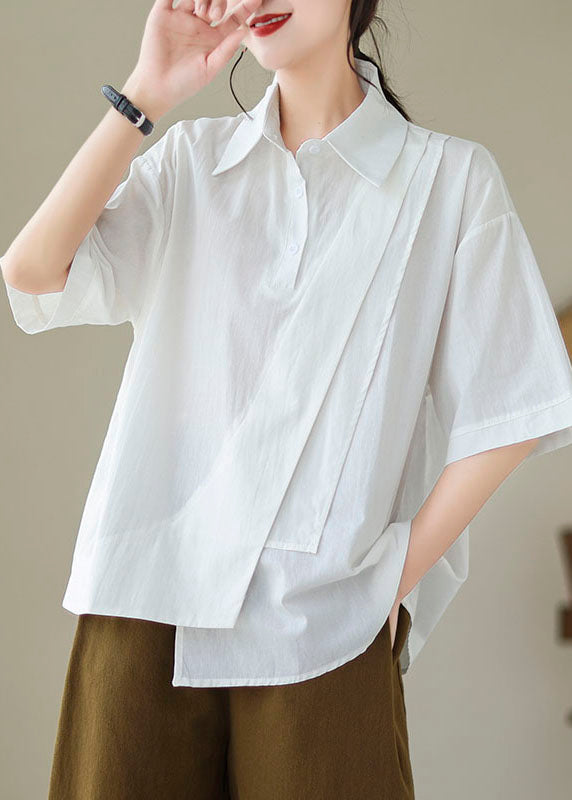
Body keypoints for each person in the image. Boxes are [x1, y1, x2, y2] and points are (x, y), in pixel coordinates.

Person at [3, 0, 572, 797]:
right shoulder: (193, 162)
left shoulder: (448, 181)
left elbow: (513, 408)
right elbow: (33, 274)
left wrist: (389, 579)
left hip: (323, 623)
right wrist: (148, 90)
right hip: (143, 604)